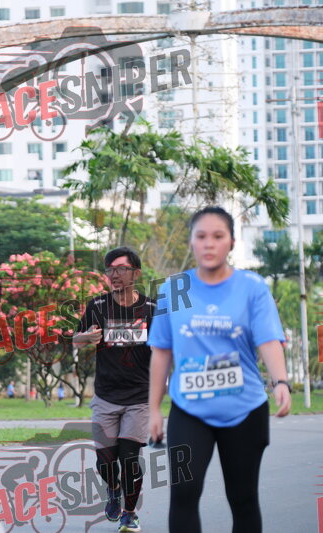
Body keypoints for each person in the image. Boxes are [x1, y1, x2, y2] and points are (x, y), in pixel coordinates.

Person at [148, 206, 291, 533]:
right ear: (191, 242)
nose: (209, 243)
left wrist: (280, 381)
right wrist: (153, 409)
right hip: (189, 409)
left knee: (243, 498)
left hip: (245, 409)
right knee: (183, 495)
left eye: (217, 236)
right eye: (201, 236)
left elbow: (269, 340)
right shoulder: (174, 289)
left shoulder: (252, 287)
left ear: (231, 242)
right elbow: (161, 352)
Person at [73, 247, 156, 532]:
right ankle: (113, 489)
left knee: (129, 459)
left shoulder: (151, 309)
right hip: (106, 396)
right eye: (110, 269)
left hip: (139, 398)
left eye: (121, 268)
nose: (114, 274)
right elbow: (75, 339)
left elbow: (164, 348)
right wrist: (85, 337)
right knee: (105, 462)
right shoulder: (97, 306)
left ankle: (129, 513)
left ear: (136, 273)